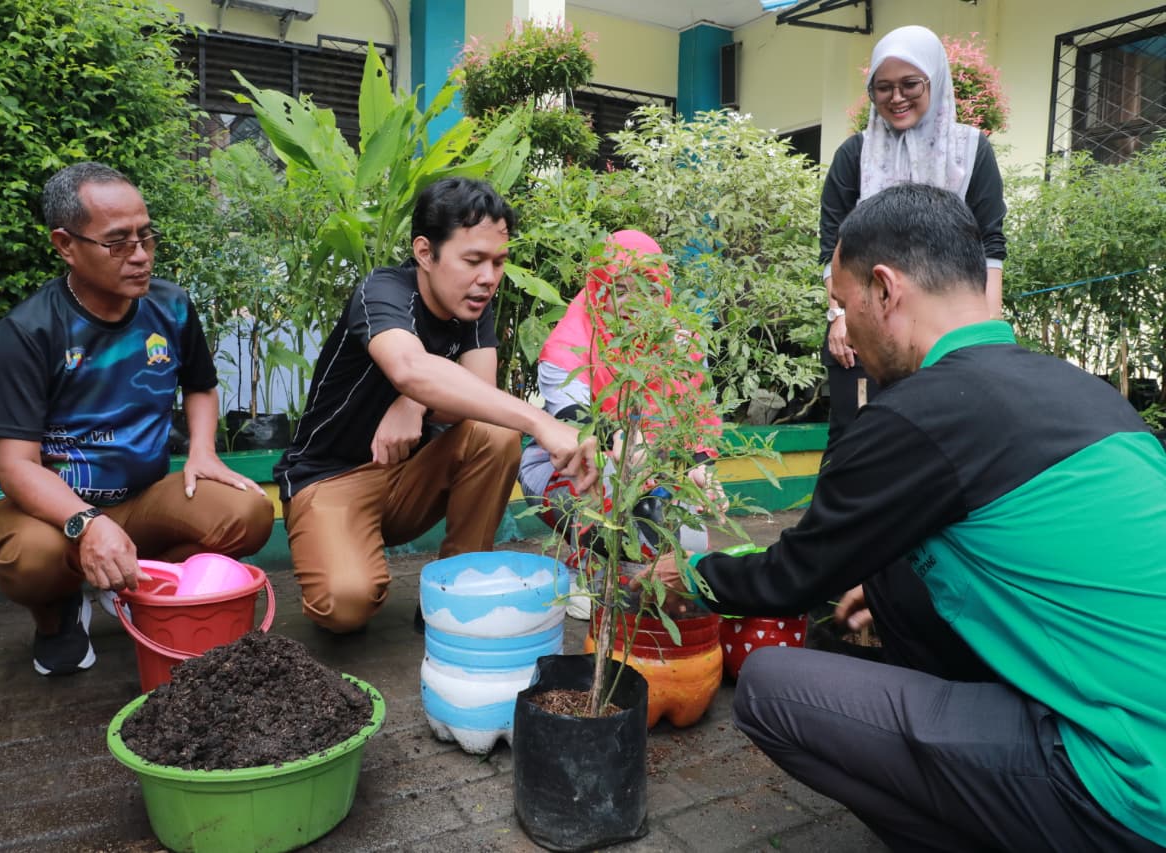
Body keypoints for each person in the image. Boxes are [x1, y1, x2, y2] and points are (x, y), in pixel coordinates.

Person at [649, 184, 1166, 851]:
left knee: (772, 689)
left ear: (884, 289)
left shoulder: (915, 416)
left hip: (1129, 786)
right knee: (894, 574)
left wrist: (688, 575)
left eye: (842, 305)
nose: (843, 331)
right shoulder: (1080, 391)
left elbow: (790, 578)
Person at [0, 162, 275, 677]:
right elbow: (15, 465)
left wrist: (203, 451)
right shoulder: (30, 330)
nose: (140, 256)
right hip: (55, 511)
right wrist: (87, 523)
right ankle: (57, 616)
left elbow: (201, 386)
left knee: (246, 512)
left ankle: (154, 591)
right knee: (29, 558)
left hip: (143, 498)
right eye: (118, 242)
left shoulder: (172, 307)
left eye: (146, 237)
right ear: (65, 244)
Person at [274, 177, 598, 634]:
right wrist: (541, 421)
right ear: (425, 253)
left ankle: (454, 594)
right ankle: (340, 555)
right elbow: (407, 364)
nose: (488, 278)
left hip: (406, 477)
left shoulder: (473, 306)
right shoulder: (384, 290)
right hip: (330, 479)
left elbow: (478, 395)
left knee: (496, 433)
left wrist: (415, 404)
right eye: (473, 260)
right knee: (345, 607)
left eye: (498, 262)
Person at [517, 229, 723, 617]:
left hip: (649, 471)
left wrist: (701, 468)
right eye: (619, 289)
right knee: (608, 474)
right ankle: (587, 568)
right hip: (570, 466)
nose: (632, 303)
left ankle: (638, 570)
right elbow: (577, 425)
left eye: (647, 289)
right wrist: (628, 440)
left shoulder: (681, 346)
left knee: (691, 544)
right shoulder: (568, 346)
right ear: (597, 289)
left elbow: (696, 417)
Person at [821, 24, 1007, 449]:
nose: (896, 97)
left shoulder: (970, 150)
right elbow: (832, 244)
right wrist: (840, 317)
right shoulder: (855, 154)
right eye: (882, 87)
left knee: (942, 439)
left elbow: (989, 247)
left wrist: (986, 329)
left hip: (944, 325)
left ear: (935, 81)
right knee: (856, 438)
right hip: (867, 319)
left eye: (910, 84)